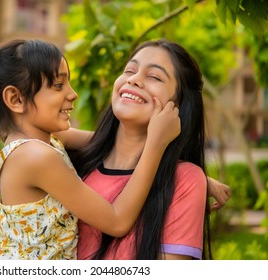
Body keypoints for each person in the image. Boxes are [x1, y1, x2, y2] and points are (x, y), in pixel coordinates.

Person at [0, 39, 180, 260]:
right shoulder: (36, 157)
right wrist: (155, 144)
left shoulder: (41, 140)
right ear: (16, 99)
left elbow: (114, 146)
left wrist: (183, 173)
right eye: (58, 85)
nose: (73, 94)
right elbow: (117, 221)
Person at [61, 38, 231, 260]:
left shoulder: (185, 180)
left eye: (155, 77)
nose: (134, 80)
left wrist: (172, 162)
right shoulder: (70, 162)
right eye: (130, 70)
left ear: (178, 104)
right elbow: (35, 131)